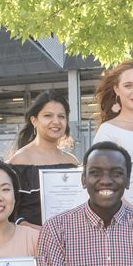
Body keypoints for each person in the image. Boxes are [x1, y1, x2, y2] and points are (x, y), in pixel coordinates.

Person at [8, 91, 80, 227]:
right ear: (34, 120)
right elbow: (11, 212)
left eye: (61, 116)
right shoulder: (19, 161)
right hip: (32, 237)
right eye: (48, 116)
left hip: (70, 236)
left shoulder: (72, 162)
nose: (56, 121)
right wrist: (44, 232)